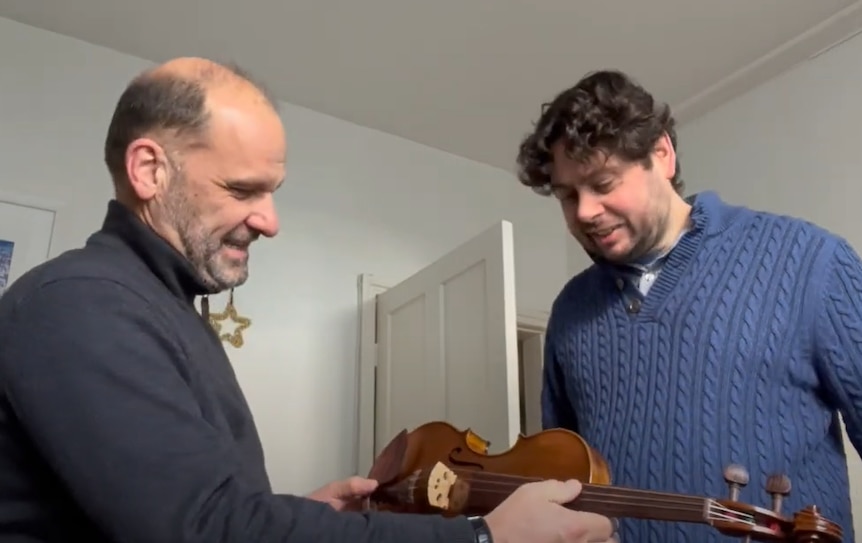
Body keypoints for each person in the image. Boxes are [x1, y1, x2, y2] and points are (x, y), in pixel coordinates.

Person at [0, 57, 617, 543]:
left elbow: (210, 508)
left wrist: (292, 516)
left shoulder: (162, 310)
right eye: (243, 189)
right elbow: (203, 530)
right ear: (150, 171)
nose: (269, 221)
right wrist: (483, 536)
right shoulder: (79, 304)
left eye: (272, 192)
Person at [514, 68, 862, 542]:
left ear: (662, 154)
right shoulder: (570, 311)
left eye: (603, 183)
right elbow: (565, 477)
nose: (584, 212)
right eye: (568, 195)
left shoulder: (810, 260)